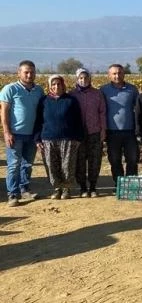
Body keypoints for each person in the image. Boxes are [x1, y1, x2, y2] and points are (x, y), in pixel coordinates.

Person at [1, 60, 45, 206]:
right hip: (15, 133)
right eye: (26, 72)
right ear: (18, 73)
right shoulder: (10, 89)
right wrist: (7, 132)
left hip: (32, 134)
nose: (29, 74)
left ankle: (24, 189)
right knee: (14, 164)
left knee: (27, 164)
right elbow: (4, 112)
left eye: (32, 72)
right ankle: (12, 194)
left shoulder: (39, 90)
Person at [35, 75, 83, 199]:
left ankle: (66, 189)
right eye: (54, 84)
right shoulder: (43, 101)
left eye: (59, 84)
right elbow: (38, 121)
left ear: (63, 85)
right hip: (48, 138)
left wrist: (78, 138)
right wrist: (37, 139)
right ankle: (57, 188)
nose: (56, 86)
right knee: (51, 165)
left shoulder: (71, 100)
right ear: (50, 86)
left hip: (68, 139)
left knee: (67, 165)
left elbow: (78, 121)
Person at [100, 63, 140, 183]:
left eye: (120, 73)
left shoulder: (132, 89)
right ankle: (119, 184)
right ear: (109, 75)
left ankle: (130, 184)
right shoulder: (103, 90)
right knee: (115, 160)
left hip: (130, 131)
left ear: (124, 74)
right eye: (114, 73)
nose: (117, 76)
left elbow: (138, 109)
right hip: (112, 132)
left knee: (133, 159)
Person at [70, 68, 106, 197]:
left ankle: (93, 187)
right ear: (77, 79)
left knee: (95, 161)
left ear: (90, 79)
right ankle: (83, 188)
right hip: (78, 134)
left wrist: (103, 130)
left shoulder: (97, 94)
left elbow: (102, 112)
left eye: (85, 78)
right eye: (80, 78)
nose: (83, 80)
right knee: (79, 162)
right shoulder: (72, 94)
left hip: (94, 132)